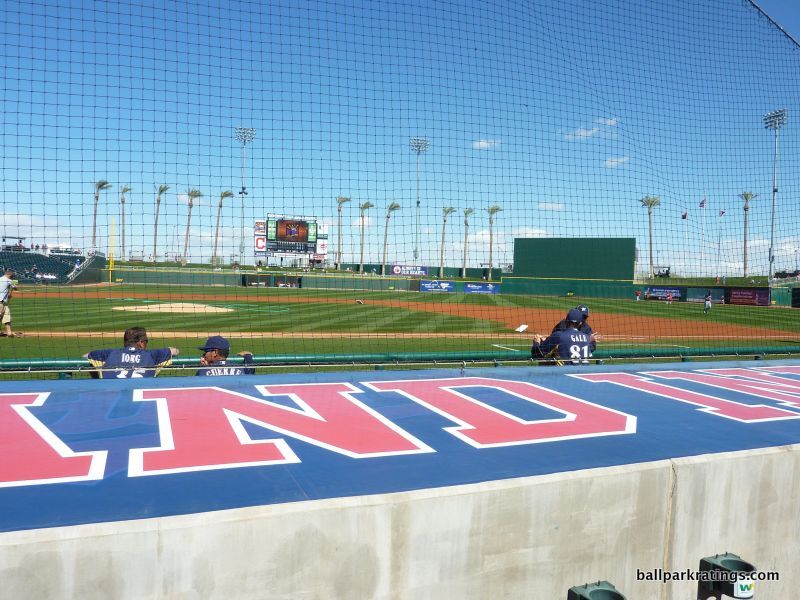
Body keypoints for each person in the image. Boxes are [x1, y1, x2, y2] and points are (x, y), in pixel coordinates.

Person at [85, 326, 179, 378]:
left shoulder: (110, 353)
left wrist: (96, 377)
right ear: (141, 343)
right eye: (146, 341)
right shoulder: (152, 355)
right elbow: (175, 351)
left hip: (112, 397)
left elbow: (85, 356)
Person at [0, 269, 22, 337]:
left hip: (4, 302)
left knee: (6, 317)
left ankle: (9, 333)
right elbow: (16, 288)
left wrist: (7, 295)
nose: (13, 277)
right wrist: (14, 284)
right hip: (1, 302)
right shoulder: (9, 280)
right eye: (12, 276)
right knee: (2, 316)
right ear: (9, 275)